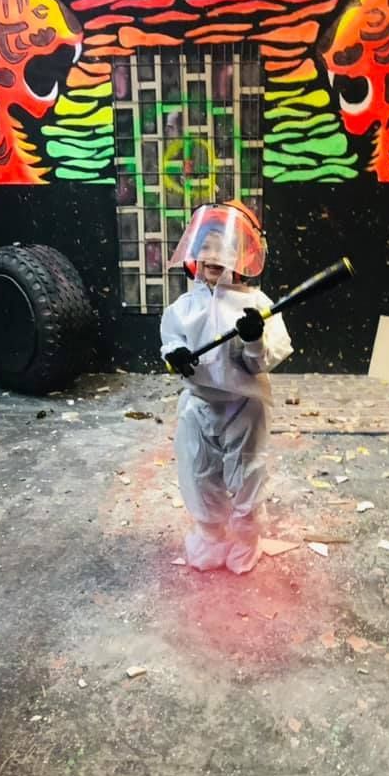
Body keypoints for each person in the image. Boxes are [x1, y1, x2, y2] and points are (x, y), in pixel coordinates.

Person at [161, 201, 293, 574]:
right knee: (199, 472)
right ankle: (210, 537)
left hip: (243, 407)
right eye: (205, 247)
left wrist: (253, 339)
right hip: (199, 405)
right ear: (193, 253)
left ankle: (247, 539)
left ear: (242, 255)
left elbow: (260, 363)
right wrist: (177, 355)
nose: (212, 256)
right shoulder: (183, 308)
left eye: (223, 248)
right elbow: (169, 342)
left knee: (247, 473)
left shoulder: (258, 306)